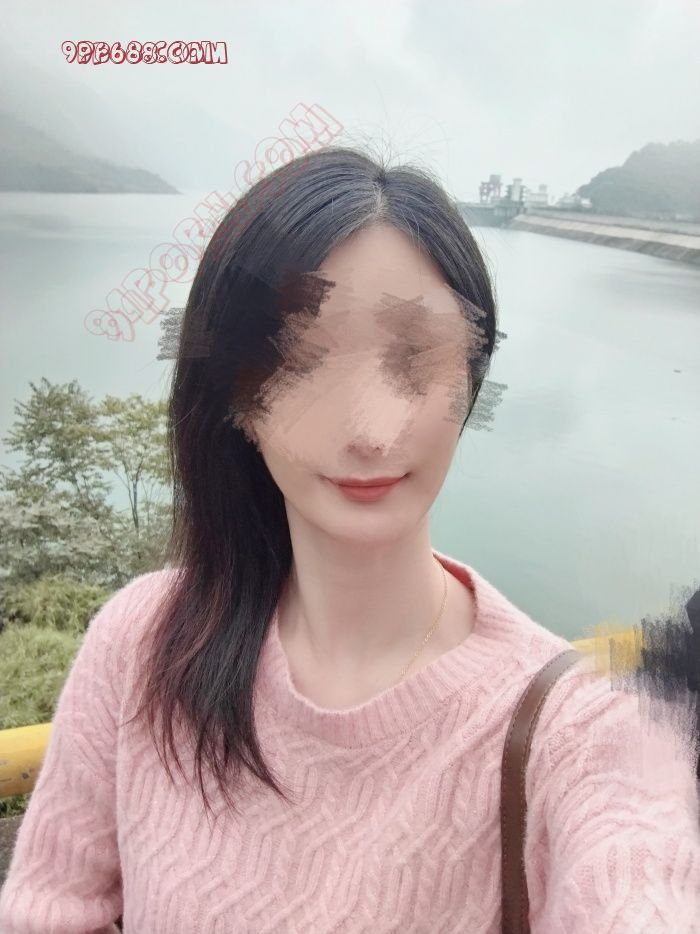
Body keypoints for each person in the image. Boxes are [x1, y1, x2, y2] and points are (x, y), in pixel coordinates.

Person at [1, 145, 698, 933]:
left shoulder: (578, 736)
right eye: (304, 361)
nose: (371, 430)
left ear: (471, 379)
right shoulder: (145, 644)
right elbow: (49, 908)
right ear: (236, 398)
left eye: (415, 360)